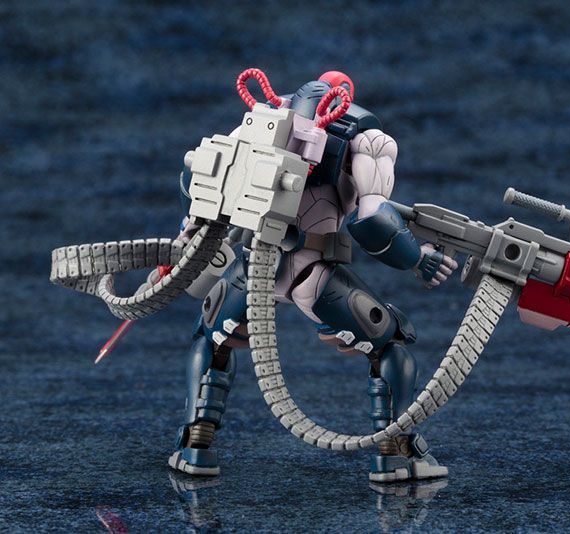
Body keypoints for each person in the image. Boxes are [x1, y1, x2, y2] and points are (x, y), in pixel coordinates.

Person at [168, 71, 457, 483]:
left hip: (252, 267)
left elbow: (198, 178)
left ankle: (194, 447)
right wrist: (418, 259)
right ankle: (395, 455)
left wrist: (190, 231)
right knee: (389, 344)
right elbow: (374, 221)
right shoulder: (367, 141)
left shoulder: (259, 124)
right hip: (313, 274)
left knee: (211, 340)